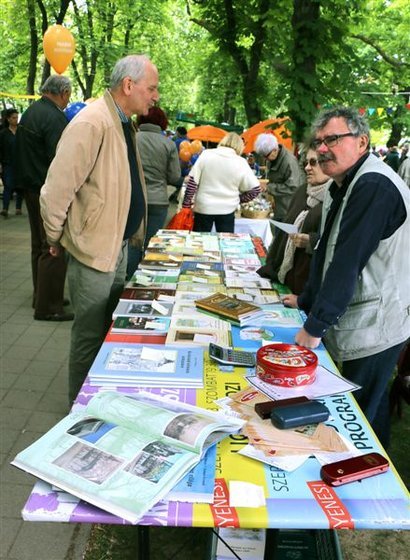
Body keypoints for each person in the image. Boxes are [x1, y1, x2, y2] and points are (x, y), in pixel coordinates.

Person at [282, 106, 410, 448]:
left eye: (333, 139)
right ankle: (374, 472)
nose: (322, 148)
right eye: (319, 141)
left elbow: (347, 261)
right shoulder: (346, 183)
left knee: (358, 416)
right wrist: (307, 301)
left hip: (376, 323)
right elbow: (327, 250)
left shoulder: (373, 185)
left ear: (362, 142)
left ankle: (366, 485)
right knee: (369, 407)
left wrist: (313, 327)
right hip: (366, 319)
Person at [40, 54, 158, 403]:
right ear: (128, 85)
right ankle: (78, 412)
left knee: (109, 329)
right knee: (89, 335)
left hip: (116, 245)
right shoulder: (93, 122)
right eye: (151, 88)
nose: (155, 96)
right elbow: (57, 189)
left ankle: (100, 400)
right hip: (94, 250)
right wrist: (54, 235)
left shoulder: (121, 121)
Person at [14, 75, 73, 321]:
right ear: (63, 92)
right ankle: (48, 306)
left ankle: (43, 295)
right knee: (52, 246)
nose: (69, 100)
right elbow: (60, 160)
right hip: (45, 189)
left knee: (39, 245)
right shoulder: (55, 117)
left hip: (29, 185)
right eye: (68, 94)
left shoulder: (31, 112)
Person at [257, 146, 330, 294]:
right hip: (286, 276)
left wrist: (310, 241)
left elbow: (335, 241)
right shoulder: (302, 190)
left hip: (307, 285)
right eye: (306, 163)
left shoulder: (335, 198)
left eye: (313, 162)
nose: (308, 168)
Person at [126, 106, 181, 278]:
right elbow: (174, 177)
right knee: (153, 244)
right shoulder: (168, 144)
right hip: (158, 200)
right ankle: (147, 282)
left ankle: (130, 281)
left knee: (133, 242)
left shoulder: (131, 138)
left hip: (133, 199)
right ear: (162, 122)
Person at [182, 132, 261, 233]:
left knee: (199, 243)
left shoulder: (206, 154)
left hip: (204, 207)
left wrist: (186, 205)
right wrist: (238, 199)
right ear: (240, 146)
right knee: (225, 243)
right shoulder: (241, 162)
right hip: (227, 209)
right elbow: (256, 189)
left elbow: (192, 182)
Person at [254, 133, 304, 222]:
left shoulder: (289, 162)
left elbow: (293, 187)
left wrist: (268, 187)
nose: (265, 159)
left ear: (275, 150)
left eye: (266, 156)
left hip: (288, 209)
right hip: (279, 207)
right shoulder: (272, 158)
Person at [0, 108, 23, 217]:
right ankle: (5, 208)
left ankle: (18, 208)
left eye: (17, 117)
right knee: (8, 185)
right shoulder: (3, 133)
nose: (16, 120)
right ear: (8, 119)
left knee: (20, 186)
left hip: (20, 162)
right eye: (13, 118)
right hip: (8, 162)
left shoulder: (21, 132)